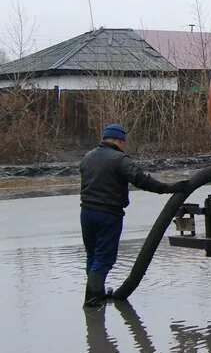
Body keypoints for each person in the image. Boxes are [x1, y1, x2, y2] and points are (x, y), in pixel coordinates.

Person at [80, 123, 193, 308]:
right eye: (123, 142)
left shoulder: (87, 157)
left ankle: (96, 291)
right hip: (108, 214)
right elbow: (142, 180)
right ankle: (93, 300)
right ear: (119, 140)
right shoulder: (119, 159)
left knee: (92, 254)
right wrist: (169, 188)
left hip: (86, 213)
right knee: (103, 257)